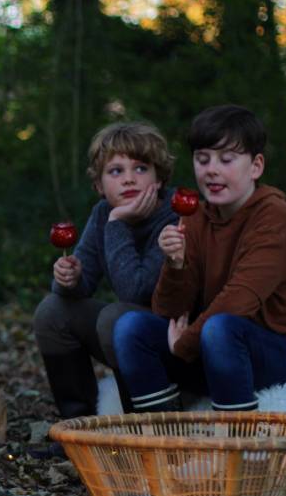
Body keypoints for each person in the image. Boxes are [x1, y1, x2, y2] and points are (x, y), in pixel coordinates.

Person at [114, 105, 286, 412]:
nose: (211, 170)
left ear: (256, 166)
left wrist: (183, 345)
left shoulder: (275, 220)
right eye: (202, 159)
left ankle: (234, 446)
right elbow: (168, 310)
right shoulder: (196, 216)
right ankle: (161, 438)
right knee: (131, 327)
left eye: (226, 159)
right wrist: (175, 263)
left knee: (220, 327)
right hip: (219, 349)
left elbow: (238, 302)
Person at [33, 122, 178, 421]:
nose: (128, 179)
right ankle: (80, 425)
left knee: (118, 317)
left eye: (140, 169)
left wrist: (117, 223)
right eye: (116, 171)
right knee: (52, 311)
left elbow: (135, 291)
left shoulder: (175, 217)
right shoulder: (103, 213)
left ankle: (138, 422)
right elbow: (83, 282)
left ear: (159, 179)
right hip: (126, 333)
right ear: (99, 186)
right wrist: (69, 278)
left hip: (174, 341)